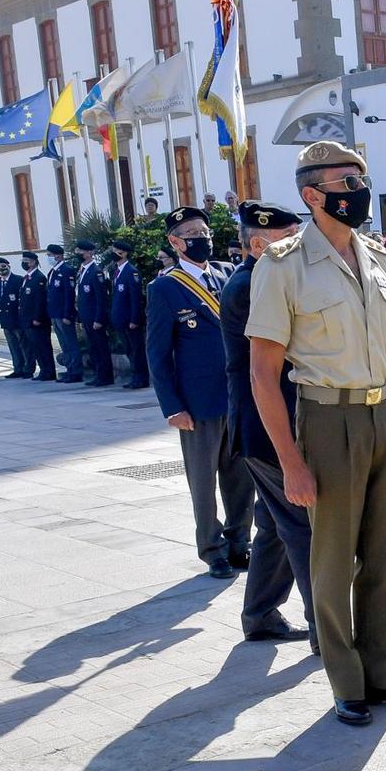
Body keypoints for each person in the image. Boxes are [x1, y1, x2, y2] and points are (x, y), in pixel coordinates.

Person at [249, 146, 386, 725]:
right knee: (333, 557)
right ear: (312, 196)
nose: (358, 188)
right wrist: (292, 462)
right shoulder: (282, 264)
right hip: (328, 418)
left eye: (361, 177)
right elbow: (264, 372)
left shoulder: (381, 259)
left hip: (385, 414)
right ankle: (346, 680)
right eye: (346, 181)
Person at [223, 202, 316, 649]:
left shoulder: (261, 277)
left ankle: (260, 613)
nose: (299, 245)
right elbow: (270, 368)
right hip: (267, 427)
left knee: (275, 524)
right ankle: (328, 630)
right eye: (290, 237)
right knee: (303, 526)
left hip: (263, 424)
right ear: (258, 244)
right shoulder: (252, 284)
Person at [147, 206, 254, 580]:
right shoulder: (164, 288)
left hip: (237, 396)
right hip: (197, 403)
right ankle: (213, 549)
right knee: (204, 481)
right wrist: (172, 407)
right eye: (192, 232)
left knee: (242, 477)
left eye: (204, 231)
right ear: (176, 242)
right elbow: (157, 354)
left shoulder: (228, 274)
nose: (202, 238)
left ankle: (240, 542)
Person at [109, 238, 147, 389]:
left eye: (116, 251)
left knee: (137, 350)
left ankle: (141, 377)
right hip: (121, 319)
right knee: (129, 350)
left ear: (124, 253)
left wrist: (134, 319)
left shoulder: (131, 272)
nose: (114, 253)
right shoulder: (117, 271)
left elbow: (135, 298)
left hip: (131, 320)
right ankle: (134, 376)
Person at [75, 239, 113, 387]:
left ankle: (105, 376)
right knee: (92, 348)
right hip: (86, 317)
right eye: (77, 251)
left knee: (100, 347)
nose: (78, 253)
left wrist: (99, 319)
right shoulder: (83, 270)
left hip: (95, 318)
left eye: (81, 251)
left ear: (90, 253)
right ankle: (98, 374)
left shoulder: (95, 272)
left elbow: (101, 298)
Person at [46, 242, 83, 383]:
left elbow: (69, 294)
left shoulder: (66, 271)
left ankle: (76, 371)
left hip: (64, 314)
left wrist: (68, 314)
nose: (49, 258)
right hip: (55, 314)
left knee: (71, 343)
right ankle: (69, 369)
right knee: (64, 344)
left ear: (59, 256)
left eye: (50, 255)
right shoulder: (53, 272)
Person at [20, 251, 55, 381]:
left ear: (34, 262)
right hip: (28, 320)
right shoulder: (27, 278)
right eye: (23, 260)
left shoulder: (39, 278)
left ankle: (48, 371)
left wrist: (37, 318)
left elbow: (40, 300)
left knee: (43, 346)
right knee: (36, 347)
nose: (24, 263)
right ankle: (43, 370)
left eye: (26, 261)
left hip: (37, 321)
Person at [0, 255, 28, 377]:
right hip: (6, 320)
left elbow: (22, 300)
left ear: (8, 266)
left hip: (17, 319)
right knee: (13, 346)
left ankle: (27, 369)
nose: (0, 269)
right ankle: (17, 368)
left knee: (24, 346)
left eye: (3, 266)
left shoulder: (18, 280)